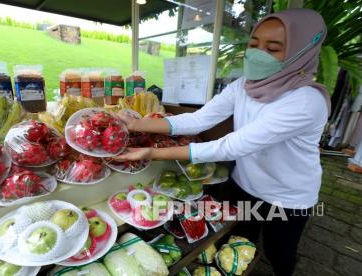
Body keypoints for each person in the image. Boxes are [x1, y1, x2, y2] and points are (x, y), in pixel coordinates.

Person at [115, 8, 330, 276]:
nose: (257, 53)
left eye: (272, 48)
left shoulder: (305, 101)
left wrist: (153, 152)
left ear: (303, 50)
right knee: (239, 241)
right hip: (246, 183)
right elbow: (198, 120)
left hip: (286, 197)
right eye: (254, 44)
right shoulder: (245, 85)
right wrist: (135, 124)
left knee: (279, 253)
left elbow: (233, 145)